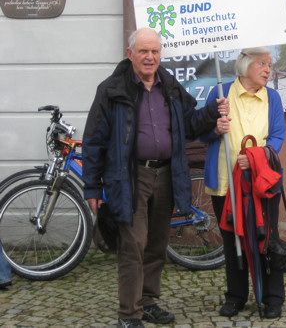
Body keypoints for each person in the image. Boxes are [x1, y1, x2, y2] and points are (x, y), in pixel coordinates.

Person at [82, 28, 229, 328]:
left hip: (167, 174)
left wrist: (214, 111)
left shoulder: (170, 86)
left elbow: (189, 124)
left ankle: (148, 302)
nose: (150, 57)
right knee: (133, 243)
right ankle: (129, 313)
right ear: (130, 54)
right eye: (143, 51)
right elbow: (94, 140)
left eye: (155, 52)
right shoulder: (111, 90)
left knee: (157, 243)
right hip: (129, 176)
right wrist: (92, 186)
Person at [202, 47, 286, 319]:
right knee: (231, 240)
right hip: (226, 182)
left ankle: (272, 297)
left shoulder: (272, 98)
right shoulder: (220, 94)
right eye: (262, 64)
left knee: (267, 237)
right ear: (245, 66)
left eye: (269, 64)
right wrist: (216, 128)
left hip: (261, 182)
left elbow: (277, 137)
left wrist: (256, 157)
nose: (267, 69)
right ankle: (236, 296)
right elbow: (202, 132)